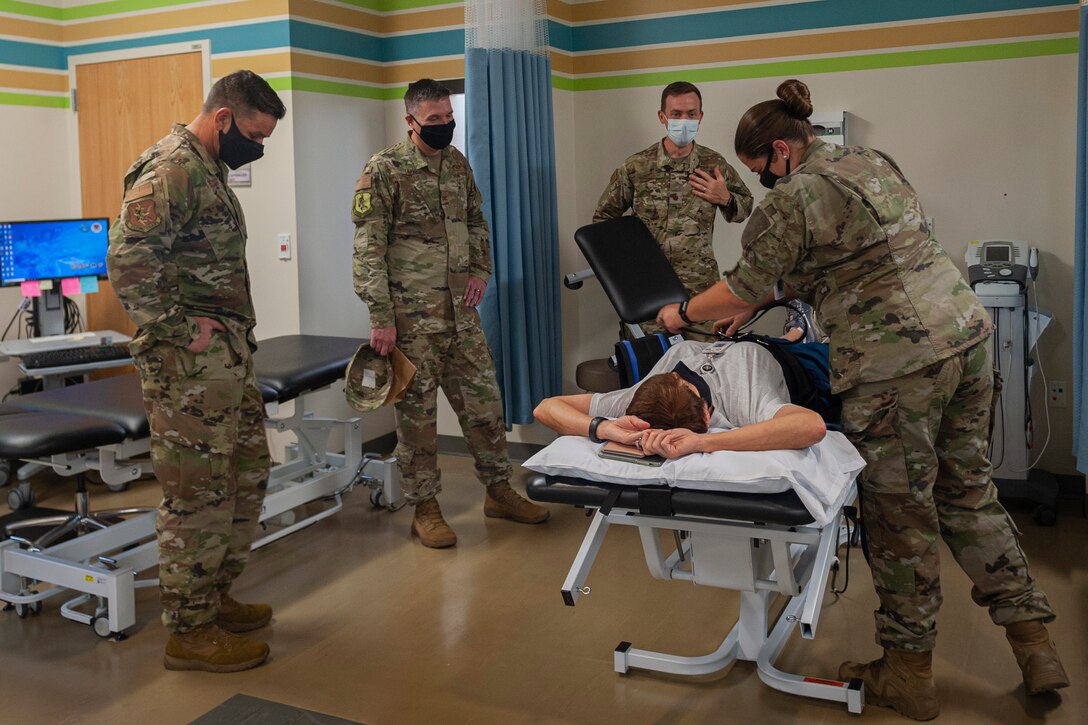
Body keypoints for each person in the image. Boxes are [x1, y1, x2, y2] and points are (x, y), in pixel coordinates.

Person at [657, 78, 1068, 720]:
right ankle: (1035, 643)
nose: (761, 180)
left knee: (900, 520)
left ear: (780, 153)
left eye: (759, 168)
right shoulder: (870, 162)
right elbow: (841, 256)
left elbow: (739, 285)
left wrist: (684, 312)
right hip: (964, 335)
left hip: (895, 363)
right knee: (968, 493)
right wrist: (765, 299)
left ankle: (908, 673)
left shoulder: (791, 197)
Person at [106, 70, 285, 672]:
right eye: (255, 136)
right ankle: (189, 628)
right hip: (188, 367)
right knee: (196, 494)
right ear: (224, 119)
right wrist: (181, 328)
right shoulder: (171, 168)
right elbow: (128, 258)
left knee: (246, 476)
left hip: (226, 361)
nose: (257, 148)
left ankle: (214, 596)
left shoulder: (209, 168)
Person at [352, 78, 549, 549]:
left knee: (484, 406)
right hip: (410, 319)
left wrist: (482, 268)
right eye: (434, 119)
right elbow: (367, 247)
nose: (445, 125)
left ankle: (499, 490)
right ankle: (425, 508)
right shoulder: (384, 170)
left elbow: (477, 220)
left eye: (448, 116)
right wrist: (380, 316)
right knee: (417, 418)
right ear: (411, 121)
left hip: (461, 314)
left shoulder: (457, 164)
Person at [593, 81, 753, 341]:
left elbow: (744, 207)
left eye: (691, 114)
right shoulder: (637, 166)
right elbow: (603, 220)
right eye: (676, 114)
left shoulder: (714, 164)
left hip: (700, 294)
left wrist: (725, 199)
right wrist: (627, 268)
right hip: (648, 291)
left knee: (705, 370)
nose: (684, 120)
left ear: (700, 116)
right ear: (662, 116)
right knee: (652, 373)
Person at [533, 340, 826, 458]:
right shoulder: (635, 405)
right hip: (788, 364)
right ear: (708, 416)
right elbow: (545, 408)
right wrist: (604, 427)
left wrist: (703, 442)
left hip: (791, 358)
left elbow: (813, 427)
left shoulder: (744, 398)